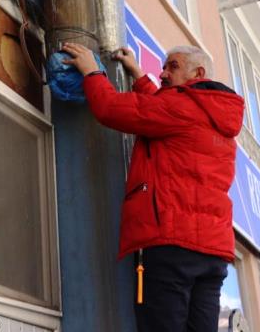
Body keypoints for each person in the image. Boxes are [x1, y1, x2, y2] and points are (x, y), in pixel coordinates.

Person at [61, 42, 245, 332]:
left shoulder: (179, 108)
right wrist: (137, 74)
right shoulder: (216, 115)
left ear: (197, 73)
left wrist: (93, 72)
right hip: (212, 253)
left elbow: (111, 108)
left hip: (172, 245)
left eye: (172, 66)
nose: (163, 73)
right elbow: (162, 113)